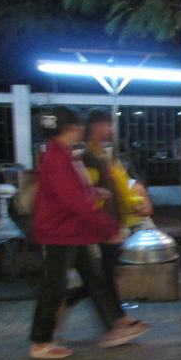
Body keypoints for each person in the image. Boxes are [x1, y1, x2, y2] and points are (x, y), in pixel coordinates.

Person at [28, 109, 149, 359]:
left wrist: (96, 195)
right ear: (71, 128)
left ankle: (116, 326)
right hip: (59, 231)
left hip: (72, 230)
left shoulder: (62, 154)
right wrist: (107, 227)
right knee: (55, 286)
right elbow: (74, 200)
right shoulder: (59, 157)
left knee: (95, 280)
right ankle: (40, 341)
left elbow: (76, 194)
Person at [62, 110, 153, 330]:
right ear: (95, 127)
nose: (111, 130)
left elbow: (120, 185)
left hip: (112, 222)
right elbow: (89, 194)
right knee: (105, 273)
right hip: (102, 224)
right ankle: (115, 318)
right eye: (107, 125)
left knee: (105, 272)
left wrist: (135, 203)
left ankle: (106, 314)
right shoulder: (88, 158)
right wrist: (105, 223)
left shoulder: (103, 155)